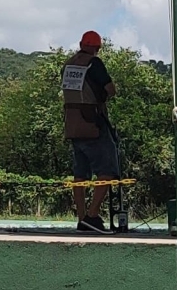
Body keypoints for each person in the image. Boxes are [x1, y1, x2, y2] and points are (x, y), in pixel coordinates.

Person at [62, 30, 121, 233]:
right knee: (107, 170)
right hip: (93, 124)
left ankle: (81, 217)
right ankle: (92, 215)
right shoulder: (93, 64)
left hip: (72, 124)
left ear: (80, 44)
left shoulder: (68, 64)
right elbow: (111, 89)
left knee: (80, 174)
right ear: (97, 48)